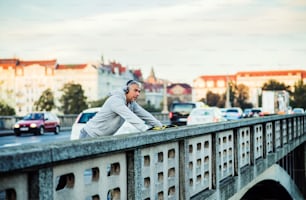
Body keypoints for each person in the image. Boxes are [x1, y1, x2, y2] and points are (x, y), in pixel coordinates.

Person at [79, 80, 163, 138]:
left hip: (103, 137)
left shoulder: (131, 103)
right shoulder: (116, 100)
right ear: (127, 90)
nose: (138, 94)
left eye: (139, 91)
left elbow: (145, 115)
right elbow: (130, 116)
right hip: (89, 135)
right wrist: (145, 129)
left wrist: (161, 126)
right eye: (135, 90)